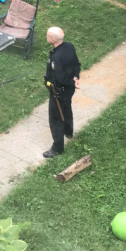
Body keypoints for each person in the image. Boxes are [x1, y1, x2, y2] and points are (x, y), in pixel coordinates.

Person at [43, 26, 81, 158]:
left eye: (47, 36)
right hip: (68, 91)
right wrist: (76, 78)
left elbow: (60, 78)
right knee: (67, 108)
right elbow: (77, 64)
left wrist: (72, 83)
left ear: (53, 39)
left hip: (59, 91)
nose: (46, 37)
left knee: (56, 118)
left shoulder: (56, 58)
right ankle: (68, 131)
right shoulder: (69, 46)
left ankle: (57, 147)